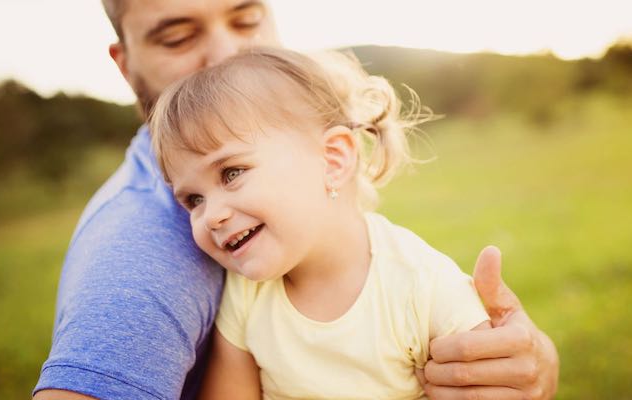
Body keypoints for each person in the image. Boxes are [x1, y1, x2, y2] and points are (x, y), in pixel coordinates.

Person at [33, 1, 559, 399]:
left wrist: (529, 365)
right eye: (191, 198)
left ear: (333, 159)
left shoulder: (413, 280)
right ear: (125, 65)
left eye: (245, 19)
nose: (228, 54)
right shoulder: (148, 257)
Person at [149, 46, 492, 399]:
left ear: (333, 159)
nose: (213, 215)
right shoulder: (245, 296)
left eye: (231, 172)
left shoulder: (424, 286)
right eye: (194, 200)